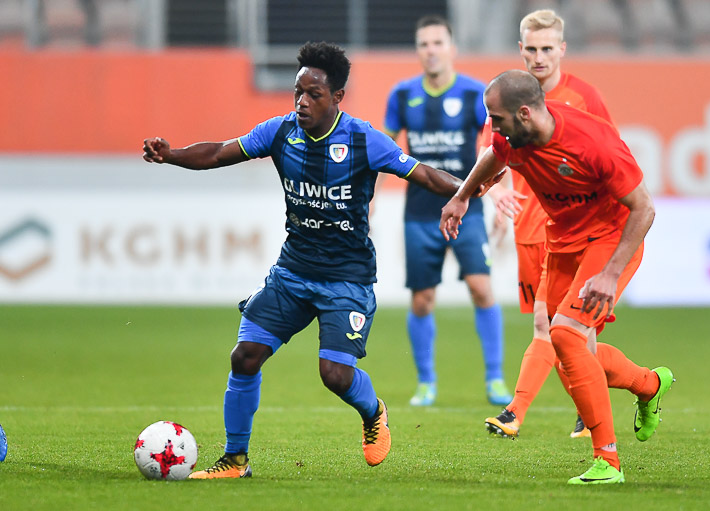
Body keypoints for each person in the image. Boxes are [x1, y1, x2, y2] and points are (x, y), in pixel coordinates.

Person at [142, 41, 495, 479]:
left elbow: (422, 173)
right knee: (245, 356)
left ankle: (373, 410)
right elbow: (218, 153)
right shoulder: (279, 132)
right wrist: (171, 155)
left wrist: (469, 188)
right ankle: (235, 460)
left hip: (346, 278)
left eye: (314, 94)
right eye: (298, 92)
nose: (302, 102)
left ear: (337, 97)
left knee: (334, 375)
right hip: (293, 271)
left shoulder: (364, 139)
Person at [440, 69, 674, 484]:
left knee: (564, 335)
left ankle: (608, 461)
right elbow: (494, 154)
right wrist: (462, 197)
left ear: (525, 113)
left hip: (609, 240)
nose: (492, 126)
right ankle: (650, 384)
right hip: (564, 241)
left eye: (497, 118)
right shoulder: (512, 137)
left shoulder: (593, 142)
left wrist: (610, 274)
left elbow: (645, 208)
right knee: (573, 357)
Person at [483, 9, 616, 439]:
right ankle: (601, 403)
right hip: (530, 229)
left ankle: (519, 412)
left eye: (547, 49)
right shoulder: (506, 98)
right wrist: (497, 193)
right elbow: (492, 155)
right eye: (532, 49)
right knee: (561, 329)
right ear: (520, 50)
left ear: (562, 49)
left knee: (559, 326)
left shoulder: (585, 97)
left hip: (577, 232)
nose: (539, 58)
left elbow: (611, 157)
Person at [382, 15, 510, 407]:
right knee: (422, 299)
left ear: (452, 48)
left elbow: (499, 147)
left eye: (438, 43)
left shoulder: (475, 94)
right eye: (424, 44)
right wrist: (367, 200)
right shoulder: (402, 95)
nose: (431, 50)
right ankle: (426, 383)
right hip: (420, 214)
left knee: (481, 288)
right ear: (417, 50)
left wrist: (502, 195)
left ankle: (495, 379)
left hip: (468, 209)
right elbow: (383, 152)